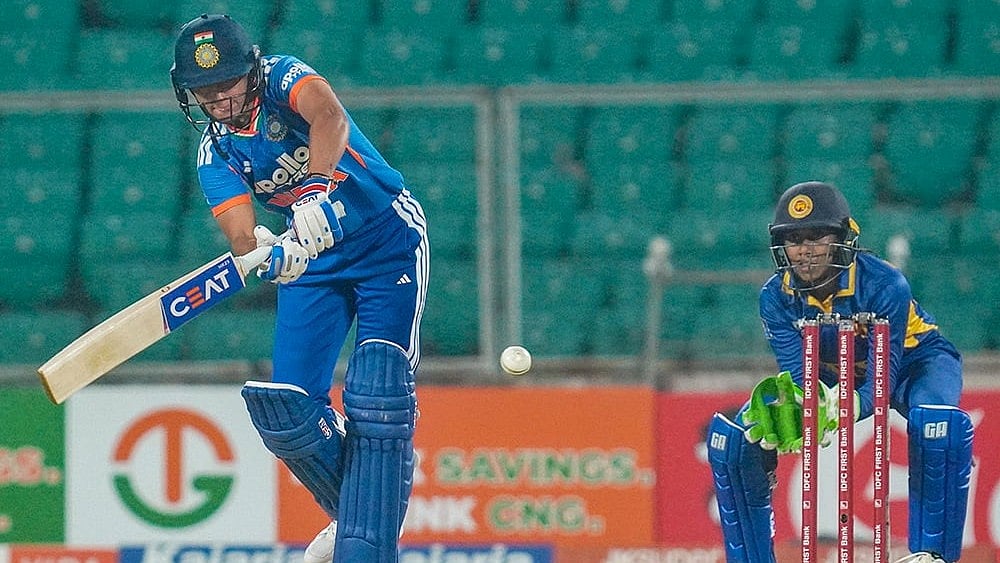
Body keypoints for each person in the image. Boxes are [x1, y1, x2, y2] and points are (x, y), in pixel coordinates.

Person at [170, 14, 428, 562]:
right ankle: (361, 525)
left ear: (252, 70)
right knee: (287, 414)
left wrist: (313, 191)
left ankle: (360, 538)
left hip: (386, 239)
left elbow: (329, 115)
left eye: (225, 83)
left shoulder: (287, 79)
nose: (216, 99)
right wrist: (267, 254)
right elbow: (242, 235)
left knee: (377, 394)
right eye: (203, 90)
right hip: (313, 262)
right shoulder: (215, 152)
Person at [705, 181, 973, 562]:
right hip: (832, 372)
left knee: (937, 426)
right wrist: (807, 407)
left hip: (916, 362)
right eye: (794, 239)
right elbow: (801, 377)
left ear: (844, 238)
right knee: (737, 436)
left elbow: (881, 383)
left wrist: (836, 408)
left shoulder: (885, 285)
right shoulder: (775, 298)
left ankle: (932, 556)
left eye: (817, 237)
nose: (805, 251)